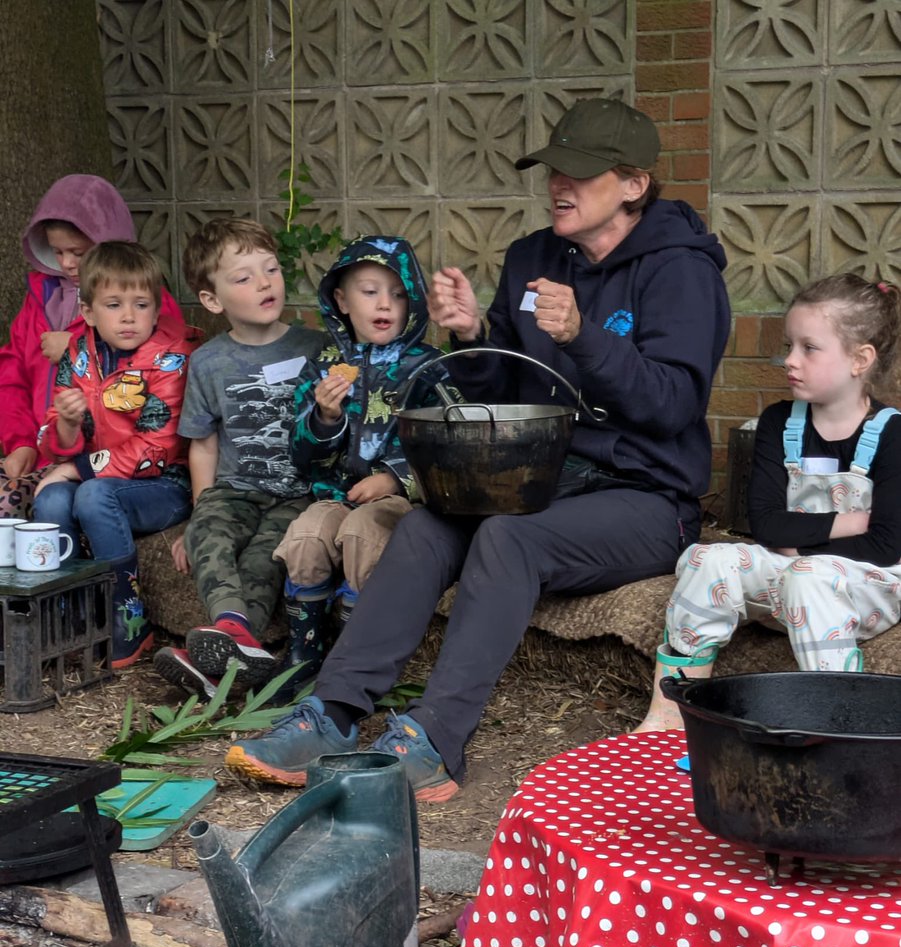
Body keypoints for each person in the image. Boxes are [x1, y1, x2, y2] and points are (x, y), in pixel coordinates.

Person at [224, 96, 731, 801]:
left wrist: (583, 336)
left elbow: (671, 405)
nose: (558, 184)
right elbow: (503, 392)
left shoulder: (681, 272)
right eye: (553, 170)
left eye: (580, 173)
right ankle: (331, 712)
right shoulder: (532, 257)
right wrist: (470, 335)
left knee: (506, 539)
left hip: (643, 495)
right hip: (538, 475)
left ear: (633, 185)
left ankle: (434, 739)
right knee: (427, 527)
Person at [636, 273, 901, 732]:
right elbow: (766, 525)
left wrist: (799, 544)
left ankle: (836, 724)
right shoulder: (780, 422)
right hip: (791, 571)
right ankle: (671, 713)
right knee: (708, 559)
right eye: (789, 345)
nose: (790, 360)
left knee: (806, 576)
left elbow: (886, 545)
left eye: (809, 348)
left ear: (860, 359)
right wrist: (849, 522)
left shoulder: (894, 435)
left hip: (869, 585)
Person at [152, 217, 328, 700]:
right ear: (213, 300)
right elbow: (204, 443)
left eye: (271, 269)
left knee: (263, 557)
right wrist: (200, 513)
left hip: (297, 493)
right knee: (207, 534)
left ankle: (219, 658)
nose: (265, 283)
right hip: (235, 489)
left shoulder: (317, 348)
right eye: (244, 277)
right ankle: (233, 628)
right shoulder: (208, 362)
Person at [270, 235, 450, 691]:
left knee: (361, 533)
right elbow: (301, 456)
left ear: (415, 303)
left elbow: (450, 442)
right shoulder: (324, 366)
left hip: (401, 504)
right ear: (342, 301)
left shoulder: (429, 368)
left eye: (399, 294)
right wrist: (325, 417)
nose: (384, 303)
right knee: (307, 534)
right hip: (335, 494)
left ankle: (355, 658)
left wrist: (394, 479)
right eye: (369, 292)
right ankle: (304, 653)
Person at [34, 240, 201, 667]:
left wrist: (77, 469)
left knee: (92, 495)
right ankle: (70, 618)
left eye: (141, 305)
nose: (128, 316)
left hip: (163, 485)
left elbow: (157, 448)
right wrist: (67, 424)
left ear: (157, 309)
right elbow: (51, 437)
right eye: (113, 305)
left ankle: (129, 618)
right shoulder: (78, 353)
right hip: (102, 477)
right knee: (50, 499)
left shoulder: (171, 359)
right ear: (89, 312)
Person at [0, 174, 181, 520]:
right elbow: (11, 376)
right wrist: (19, 441)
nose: (67, 263)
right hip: (41, 449)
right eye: (57, 252)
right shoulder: (41, 297)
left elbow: (165, 362)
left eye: (78, 253)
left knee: (15, 504)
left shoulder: (144, 301)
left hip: (104, 461)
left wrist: (77, 346)